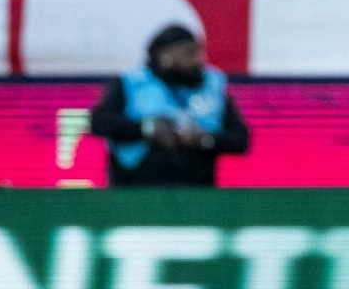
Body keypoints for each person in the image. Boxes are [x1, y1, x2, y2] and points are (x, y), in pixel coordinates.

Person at [89, 25, 250, 187]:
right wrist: (148, 128)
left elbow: (240, 140)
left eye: (199, 52)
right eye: (189, 53)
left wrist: (203, 139)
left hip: (196, 193)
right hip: (137, 190)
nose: (198, 60)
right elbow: (99, 122)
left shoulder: (212, 85)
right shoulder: (132, 82)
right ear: (165, 56)